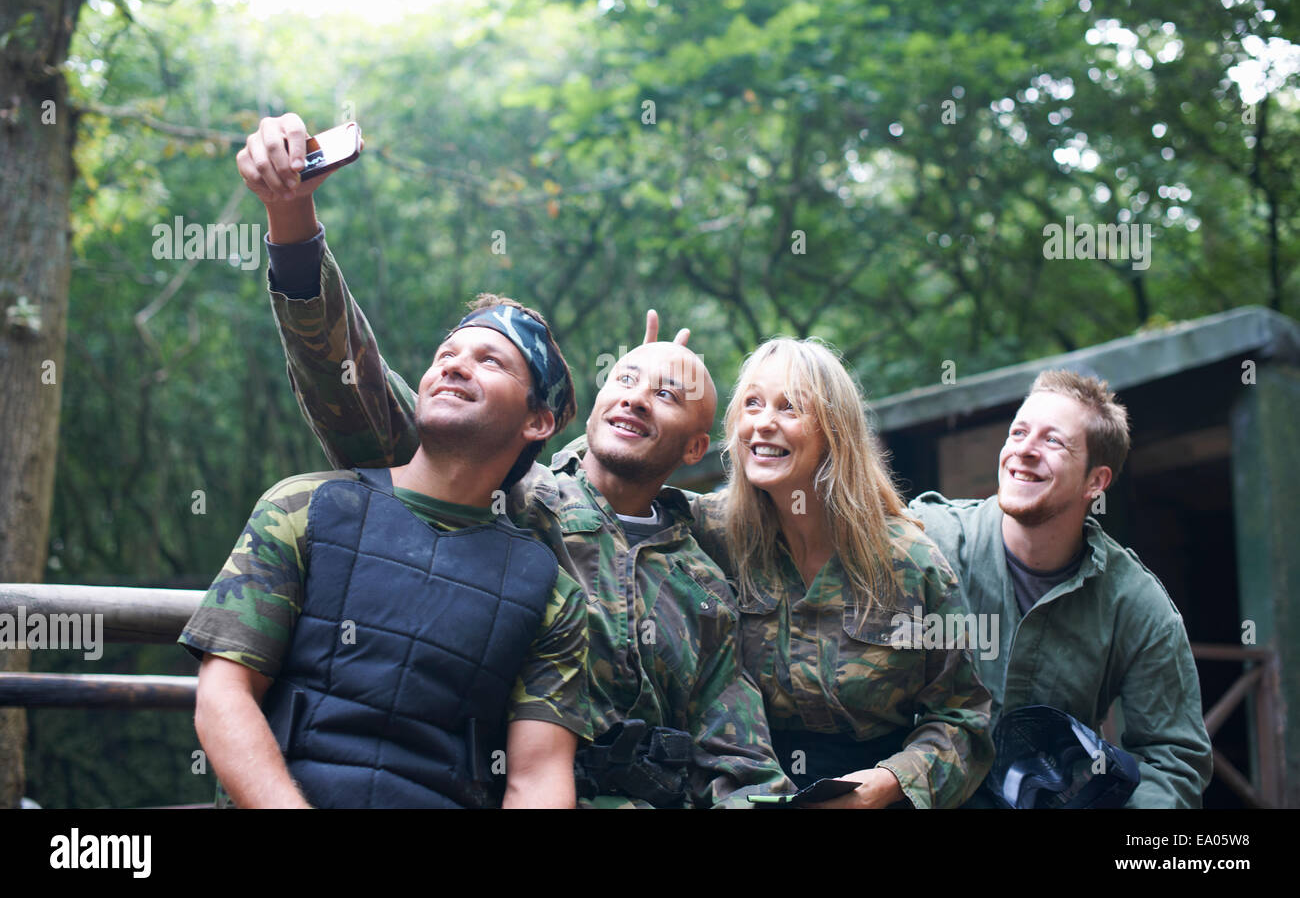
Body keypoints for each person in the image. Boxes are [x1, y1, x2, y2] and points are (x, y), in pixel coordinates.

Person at [235, 113, 792, 807]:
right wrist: (293, 227)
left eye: (667, 395)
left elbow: (740, 758)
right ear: (568, 418)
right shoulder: (511, 502)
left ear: (694, 448)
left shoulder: (705, 581)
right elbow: (359, 391)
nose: (638, 399)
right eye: (622, 380)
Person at [179, 293, 591, 808]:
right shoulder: (302, 507)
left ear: (538, 422)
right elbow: (224, 696)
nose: (455, 366)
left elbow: (538, 777)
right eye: (445, 355)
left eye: (490, 361)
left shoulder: (553, 595)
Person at [687, 337, 995, 809]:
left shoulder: (910, 562)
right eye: (752, 403)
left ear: (834, 431)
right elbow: (606, 490)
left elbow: (963, 721)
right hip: (742, 785)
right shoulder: (708, 532)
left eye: (790, 408)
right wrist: (649, 392)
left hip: (871, 789)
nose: (763, 423)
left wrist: (887, 784)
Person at [909, 369, 1213, 807]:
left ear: (1096, 482)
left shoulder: (1138, 605)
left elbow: (1175, 761)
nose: (1024, 450)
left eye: (1053, 441)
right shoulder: (926, 539)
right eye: (1018, 431)